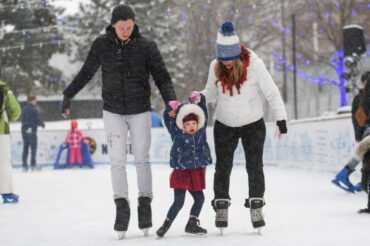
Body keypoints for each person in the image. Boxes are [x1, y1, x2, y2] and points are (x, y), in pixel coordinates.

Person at [60, 4, 177, 239]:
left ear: (134, 24)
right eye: (122, 27)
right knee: (117, 161)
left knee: (142, 159)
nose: (126, 30)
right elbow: (86, 72)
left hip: (140, 110)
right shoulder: (101, 45)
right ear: (113, 25)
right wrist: (68, 95)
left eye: (129, 26)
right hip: (112, 111)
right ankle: (121, 207)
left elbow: (162, 77)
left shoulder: (147, 46)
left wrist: (171, 101)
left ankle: (145, 205)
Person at [198, 21, 287, 233]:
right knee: (223, 167)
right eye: (223, 58)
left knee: (254, 165)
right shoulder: (215, 66)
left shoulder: (255, 65)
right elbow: (211, 92)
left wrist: (281, 119)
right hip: (224, 123)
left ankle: (256, 205)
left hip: (253, 123)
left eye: (230, 58)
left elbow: (271, 92)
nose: (227, 63)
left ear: (237, 53)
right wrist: (199, 96)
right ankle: (221, 205)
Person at [156, 93, 212, 238]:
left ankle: (192, 223)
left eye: (193, 123)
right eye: (187, 124)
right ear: (182, 125)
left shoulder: (201, 132)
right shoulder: (177, 133)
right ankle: (165, 225)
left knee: (200, 199)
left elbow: (203, 112)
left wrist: (199, 100)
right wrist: (170, 108)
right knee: (179, 202)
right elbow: (168, 119)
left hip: (195, 172)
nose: (191, 126)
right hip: (181, 172)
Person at [332, 71, 370, 192]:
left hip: (365, 130)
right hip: (366, 130)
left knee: (364, 155)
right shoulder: (361, 97)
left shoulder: (361, 97)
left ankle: (355, 178)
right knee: (365, 155)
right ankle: (362, 181)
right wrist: (358, 134)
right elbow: (357, 118)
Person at [0, 79, 21, 203]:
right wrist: (12, 117)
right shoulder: (4, 89)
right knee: (3, 162)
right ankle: (7, 193)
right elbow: (16, 110)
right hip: (1, 131)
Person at [21, 95, 45, 172]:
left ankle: (24, 166)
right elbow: (37, 119)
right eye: (35, 100)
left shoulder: (24, 109)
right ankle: (33, 165)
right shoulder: (34, 110)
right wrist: (42, 124)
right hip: (31, 130)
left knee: (25, 148)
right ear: (31, 101)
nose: (36, 102)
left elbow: (23, 119)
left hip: (24, 130)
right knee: (33, 148)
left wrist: (26, 126)